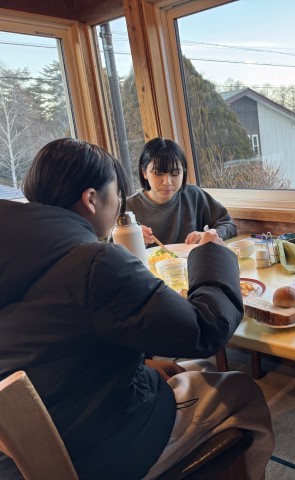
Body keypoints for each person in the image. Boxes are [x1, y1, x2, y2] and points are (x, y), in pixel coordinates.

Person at [0, 138, 273, 480]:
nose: (119, 205)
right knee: (240, 389)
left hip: (18, 457)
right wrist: (213, 253)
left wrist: (140, 364)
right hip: (93, 453)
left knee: (194, 368)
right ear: (91, 199)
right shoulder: (94, 263)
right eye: (116, 194)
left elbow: (57, 344)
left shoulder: (18, 252)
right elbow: (206, 329)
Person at [127, 137, 237, 245]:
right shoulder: (129, 208)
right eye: (158, 173)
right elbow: (116, 246)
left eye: (175, 173)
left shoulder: (193, 195)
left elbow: (228, 224)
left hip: (193, 258)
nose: (167, 182)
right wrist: (129, 238)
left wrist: (208, 235)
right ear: (144, 172)